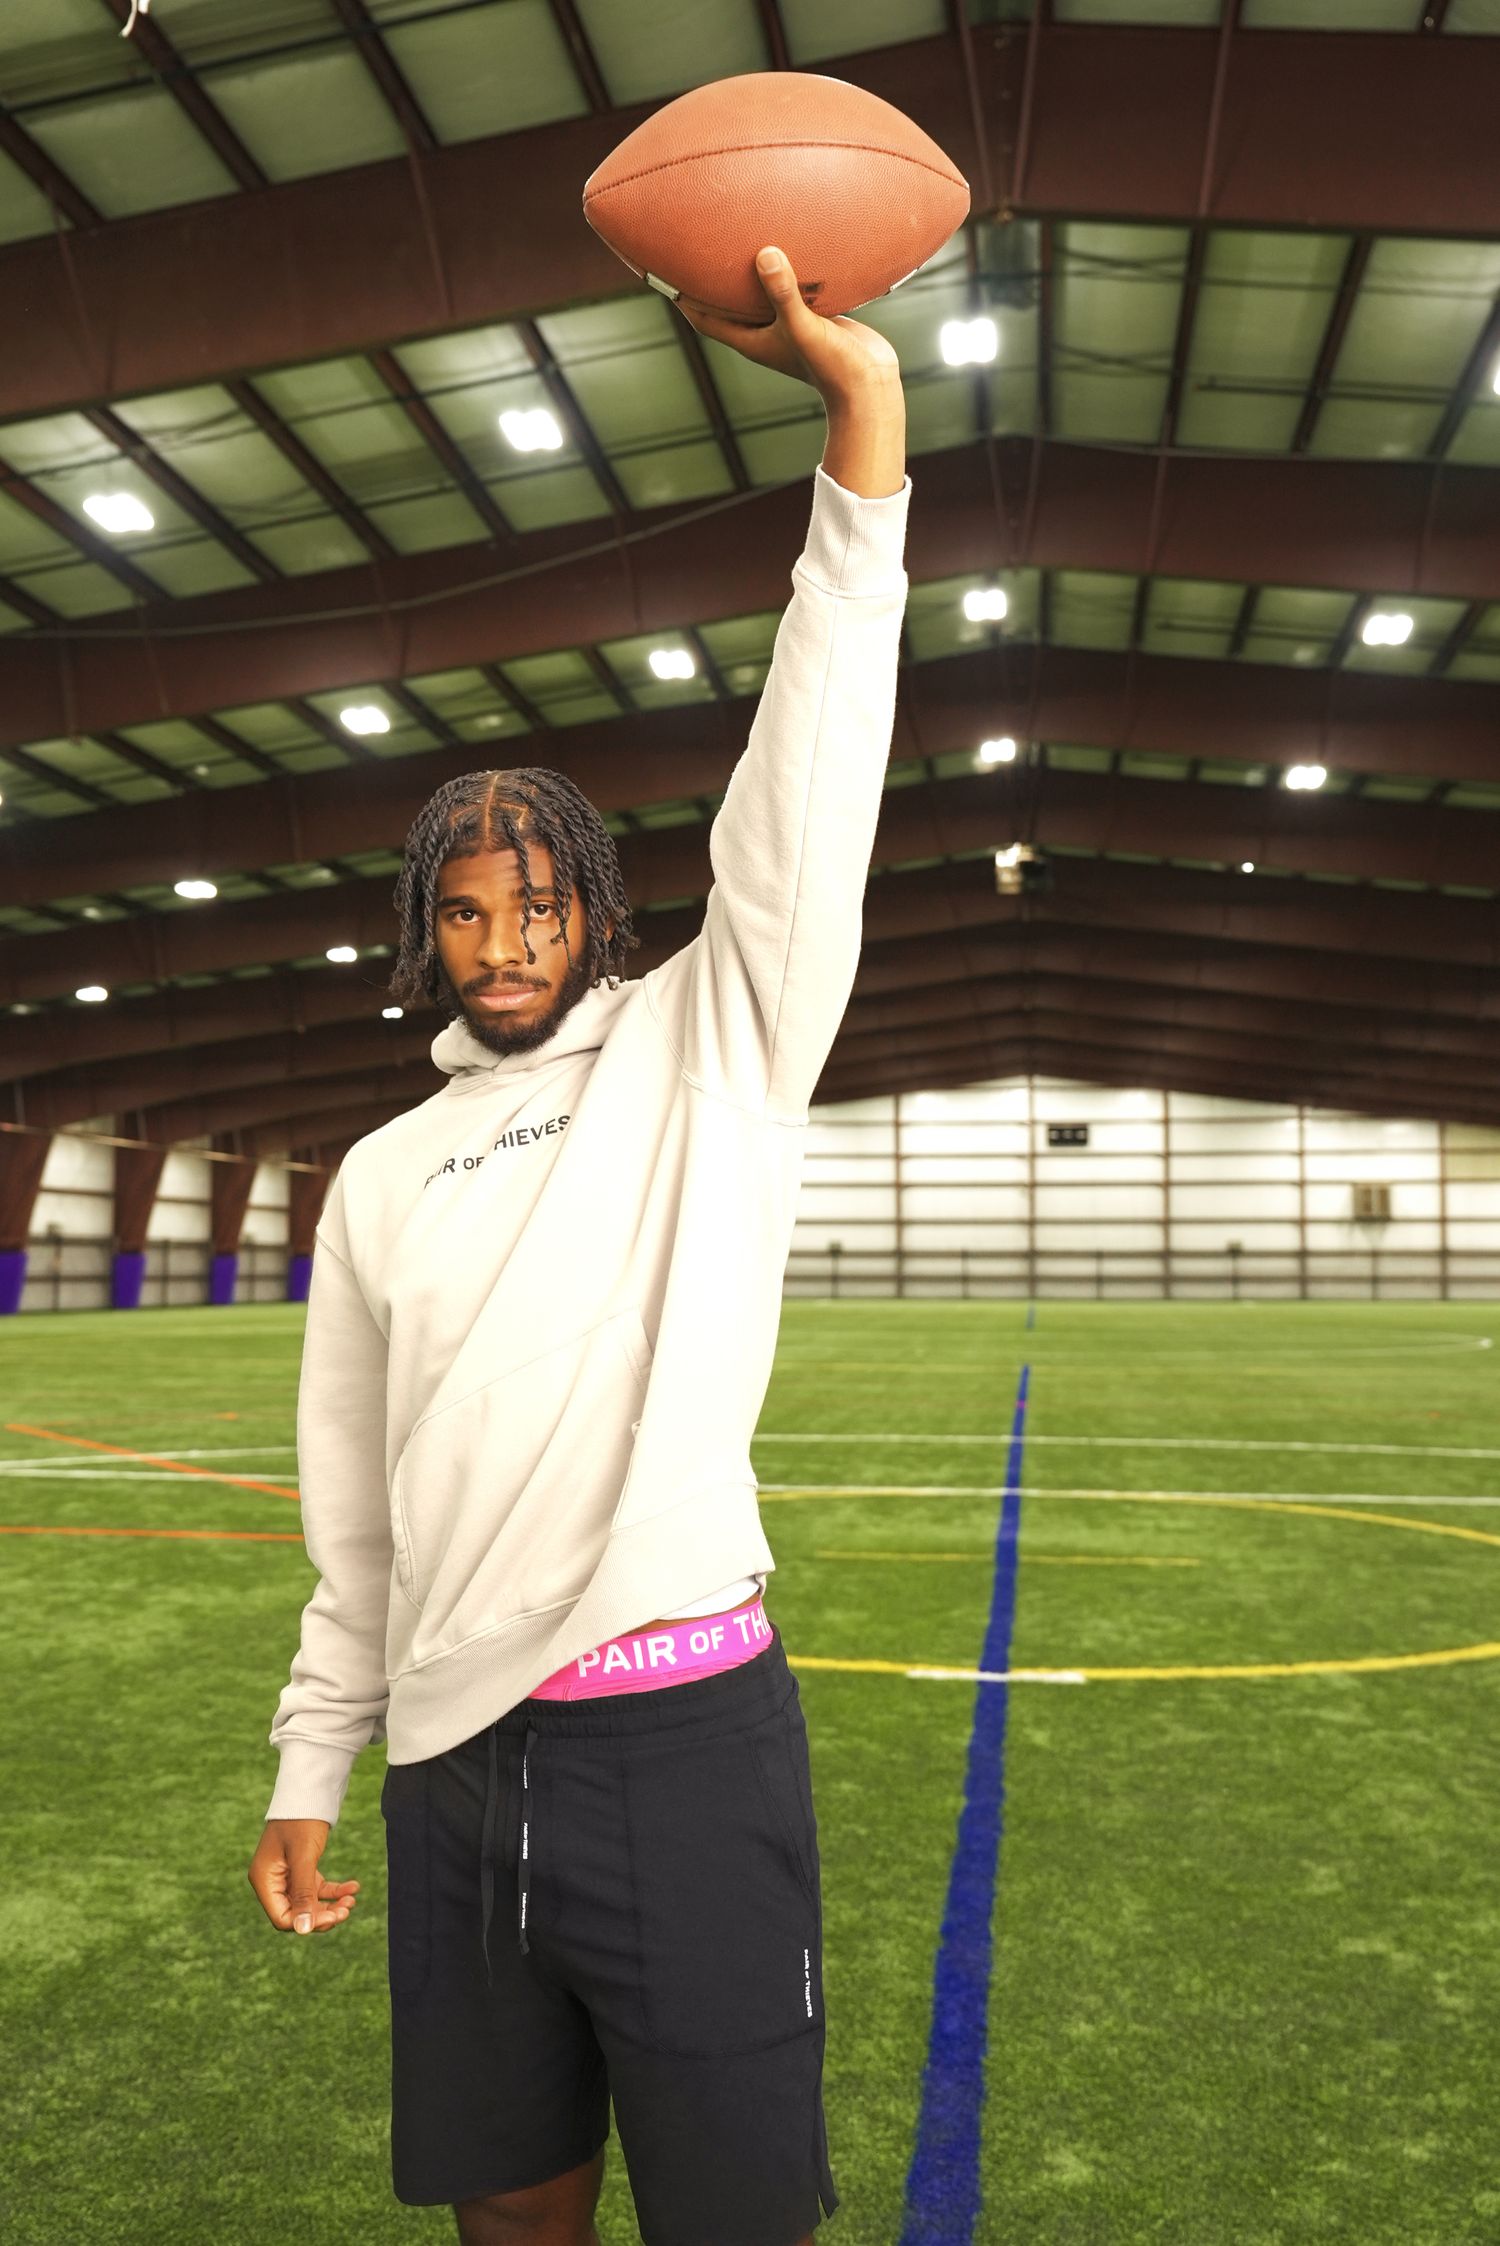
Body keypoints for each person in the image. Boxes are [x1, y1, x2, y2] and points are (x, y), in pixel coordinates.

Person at [248, 243, 911, 2246]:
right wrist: (313, 1756)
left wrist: (858, 434)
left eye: (543, 900)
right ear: (427, 936)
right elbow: (357, 1521)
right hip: (453, 1771)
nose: (510, 937)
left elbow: (806, 792)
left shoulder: (711, 1047)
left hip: (684, 1749)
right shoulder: (378, 1178)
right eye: (470, 910)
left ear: (599, 911)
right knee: (502, 2218)